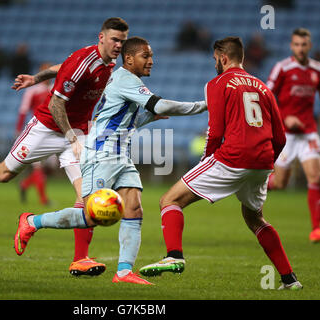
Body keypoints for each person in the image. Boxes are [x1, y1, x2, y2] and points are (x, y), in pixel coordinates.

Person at [0, 17, 129, 277]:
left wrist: (37, 77)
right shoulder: (85, 61)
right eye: (115, 39)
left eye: (122, 41)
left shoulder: (109, 63)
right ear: (101, 37)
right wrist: (71, 137)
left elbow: (62, 67)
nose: (118, 45)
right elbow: (55, 105)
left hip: (77, 131)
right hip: (47, 128)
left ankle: (80, 259)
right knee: (4, 173)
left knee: (89, 195)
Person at [13, 36, 207, 285]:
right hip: (100, 153)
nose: (151, 61)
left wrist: (149, 117)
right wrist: (204, 105)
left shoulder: (127, 81)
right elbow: (160, 105)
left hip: (121, 155)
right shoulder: (126, 79)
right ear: (129, 58)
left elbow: (125, 119)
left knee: (134, 208)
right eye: (145, 56)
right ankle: (32, 221)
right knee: (91, 216)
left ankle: (124, 272)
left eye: (151, 56)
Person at [140, 36, 303, 290]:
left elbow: (215, 131)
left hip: (232, 158)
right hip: (262, 162)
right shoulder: (262, 87)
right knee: (255, 218)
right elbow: (280, 136)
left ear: (223, 58)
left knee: (169, 200)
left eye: (215, 59)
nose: (214, 63)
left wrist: (207, 161)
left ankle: (174, 256)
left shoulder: (217, 83)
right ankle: (289, 280)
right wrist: (267, 163)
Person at [266, 28, 320, 243]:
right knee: (280, 183)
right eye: (296, 44)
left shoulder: (317, 68)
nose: (300, 48)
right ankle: (253, 180)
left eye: (304, 44)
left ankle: (316, 229)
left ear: (310, 45)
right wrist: (284, 118)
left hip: (308, 132)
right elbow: (266, 97)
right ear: (291, 46)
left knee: (316, 177)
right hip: (286, 135)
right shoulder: (283, 68)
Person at [15, 62, 54, 206]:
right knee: (38, 167)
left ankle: (25, 184)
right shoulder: (32, 90)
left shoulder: (54, 89)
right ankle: (44, 200)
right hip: (37, 132)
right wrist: (19, 129)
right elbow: (23, 110)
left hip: (53, 133)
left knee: (50, 168)